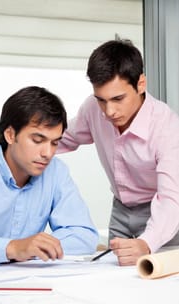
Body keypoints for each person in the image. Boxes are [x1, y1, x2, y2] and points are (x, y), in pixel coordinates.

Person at [57, 39, 179, 266]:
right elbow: (65, 138)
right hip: (120, 210)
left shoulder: (167, 127)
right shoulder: (93, 109)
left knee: (157, 279)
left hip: (160, 213)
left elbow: (171, 199)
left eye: (118, 99)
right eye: (101, 100)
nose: (109, 111)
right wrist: (16, 148)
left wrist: (147, 243)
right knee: (113, 278)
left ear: (141, 84)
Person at [0, 86, 98, 267]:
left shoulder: (56, 172)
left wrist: (37, 247)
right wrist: (12, 248)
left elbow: (84, 235)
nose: (48, 153)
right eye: (38, 140)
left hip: (29, 283)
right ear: (10, 135)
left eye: (55, 143)